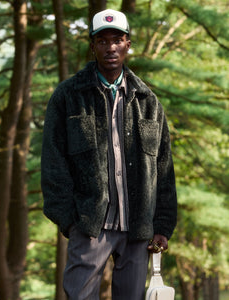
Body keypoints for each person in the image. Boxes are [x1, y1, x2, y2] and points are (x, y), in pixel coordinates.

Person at [41, 8, 177, 300]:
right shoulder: (68, 97)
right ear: (92, 46)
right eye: (102, 41)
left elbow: (163, 168)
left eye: (117, 40)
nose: (110, 47)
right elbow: (53, 164)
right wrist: (70, 222)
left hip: (138, 230)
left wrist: (163, 225)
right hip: (89, 227)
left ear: (128, 43)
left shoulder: (148, 101)